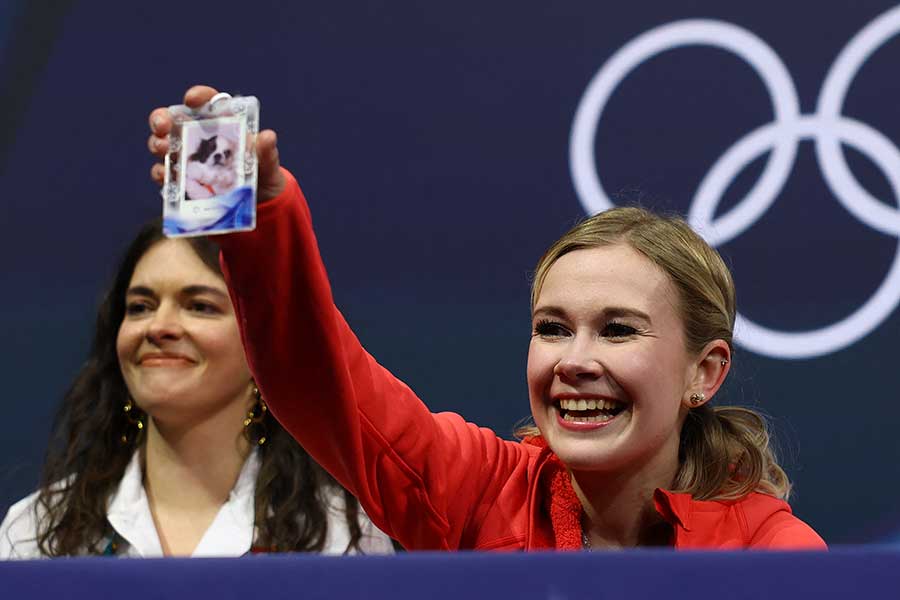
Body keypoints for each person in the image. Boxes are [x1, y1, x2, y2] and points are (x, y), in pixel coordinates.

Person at [145, 86, 826, 551]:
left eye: (618, 329)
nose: (574, 360)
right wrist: (260, 218)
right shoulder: (479, 491)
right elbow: (324, 385)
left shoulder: (774, 551)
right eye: (552, 328)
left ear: (703, 373)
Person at [0, 219, 394, 558]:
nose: (159, 326)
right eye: (140, 306)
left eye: (199, 306)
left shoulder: (341, 534)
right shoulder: (34, 533)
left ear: (261, 345)